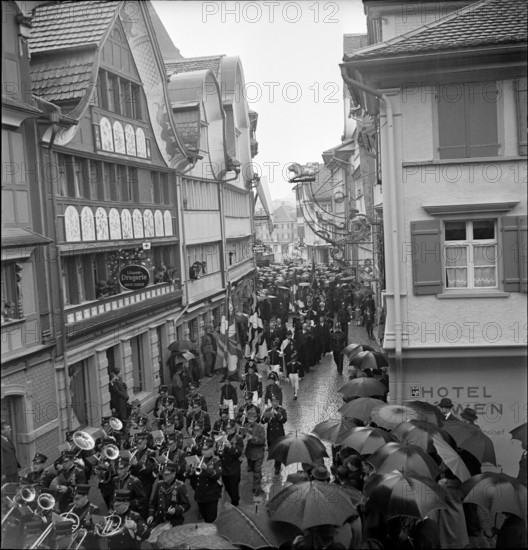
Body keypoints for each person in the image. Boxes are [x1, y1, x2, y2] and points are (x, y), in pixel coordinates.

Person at [147, 461, 190, 527]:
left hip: (174, 521)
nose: (164, 476)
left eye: (167, 474)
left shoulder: (180, 486)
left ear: (173, 474)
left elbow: (186, 505)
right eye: (163, 474)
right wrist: (151, 515)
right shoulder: (160, 484)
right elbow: (154, 502)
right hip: (160, 519)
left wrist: (176, 510)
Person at [188, 445, 223, 522]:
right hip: (200, 495)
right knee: (204, 517)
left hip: (211, 496)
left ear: (212, 450)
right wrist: (191, 470)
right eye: (203, 450)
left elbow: (216, 475)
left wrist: (206, 468)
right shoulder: (198, 460)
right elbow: (190, 477)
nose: (204, 452)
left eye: (206, 450)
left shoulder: (216, 461)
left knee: (211, 519)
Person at [216, 419, 244, 507]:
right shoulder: (223, 437)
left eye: (230, 428)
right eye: (227, 429)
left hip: (234, 469)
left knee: (234, 488)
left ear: (234, 428)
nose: (228, 430)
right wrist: (218, 448)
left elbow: (239, 453)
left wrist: (230, 447)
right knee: (227, 488)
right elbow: (219, 453)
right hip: (225, 468)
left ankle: (235, 504)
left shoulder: (238, 438)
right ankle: (234, 497)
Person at [243, 408, 266, 496]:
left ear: (256, 418)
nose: (250, 421)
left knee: (256, 471)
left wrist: (252, 438)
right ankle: (259, 476)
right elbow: (241, 437)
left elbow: (262, 441)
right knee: (253, 469)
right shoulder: (246, 425)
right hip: (249, 453)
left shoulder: (260, 428)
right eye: (249, 419)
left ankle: (256, 488)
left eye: (252, 419)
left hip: (258, 454)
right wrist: (242, 433)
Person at [262, 396, 287, 475]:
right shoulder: (268, 410)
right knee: (272, 450)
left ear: (278, 402)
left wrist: (277, 414)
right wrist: (266, 417)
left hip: (279, 434)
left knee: (278, 452)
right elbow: (262, 421)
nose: (273, 403)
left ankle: (277, 467)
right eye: (272, 401)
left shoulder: (282, 410)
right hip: (270, 434)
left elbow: (284, 420)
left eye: (275, 401)